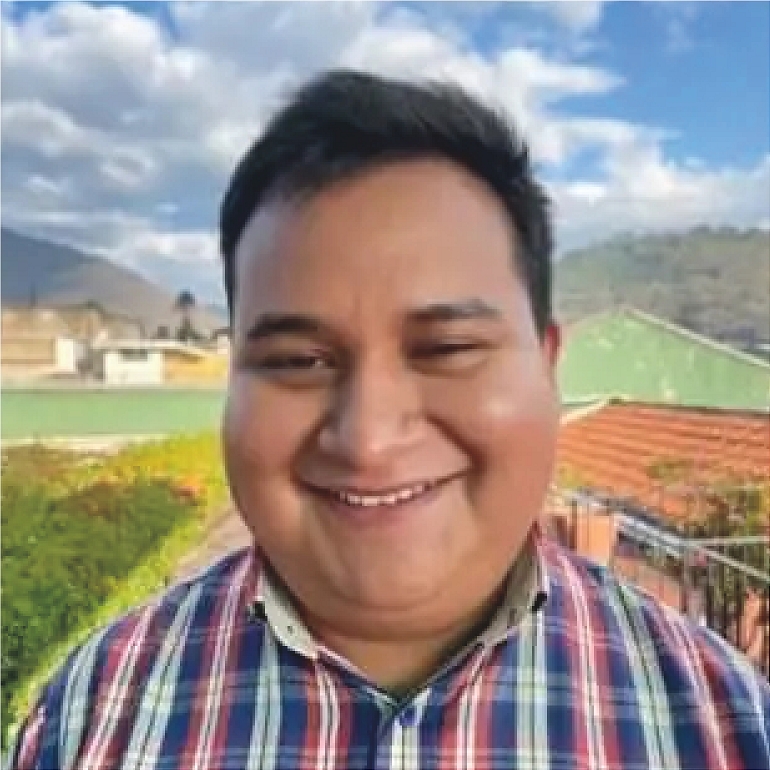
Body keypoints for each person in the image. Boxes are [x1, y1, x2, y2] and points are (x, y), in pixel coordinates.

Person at [6, 69, 769, 770]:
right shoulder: (93, 718)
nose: (368, 440)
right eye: (300, 360)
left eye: (446, 347)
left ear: (546, 361)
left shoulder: (723, 724)